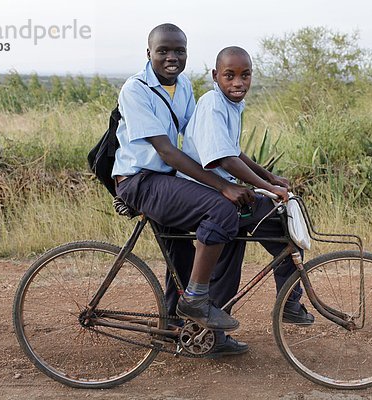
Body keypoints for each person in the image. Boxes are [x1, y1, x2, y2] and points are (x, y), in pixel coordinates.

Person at [112, 25, 285, 340]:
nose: (172, 58)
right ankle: (194, 301)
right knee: (221, 209)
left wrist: (267, 177)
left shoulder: (184, 87)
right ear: (148, 53)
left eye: (179, 51)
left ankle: (200, 336)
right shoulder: (135, 89)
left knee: (191, 254)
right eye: (163, 51)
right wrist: (224, 186)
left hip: (168, 180)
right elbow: (167, 151)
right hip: (141, 180)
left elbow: (206, 142)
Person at [178, 46, 315, 339]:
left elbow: (234, 151)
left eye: (245, 75)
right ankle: (290, 303)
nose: (238, 83)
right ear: (216, 76)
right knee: (282, 228)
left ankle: (211, 337)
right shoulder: (213, 104)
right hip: (204, 194)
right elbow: (225, 160)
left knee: (228, 262)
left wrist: (268, 175)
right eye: (230, 76)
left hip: (221, 193)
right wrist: (268, 188)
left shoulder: (230, 104)